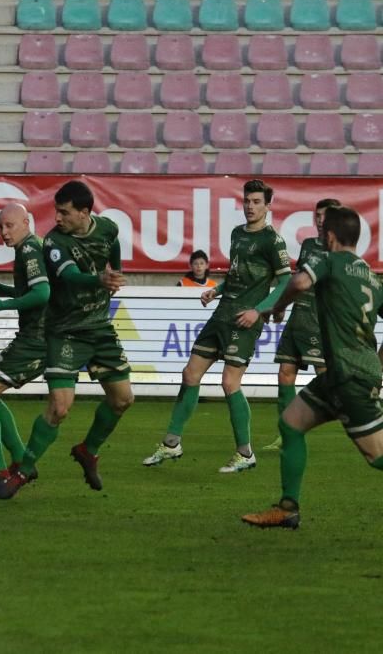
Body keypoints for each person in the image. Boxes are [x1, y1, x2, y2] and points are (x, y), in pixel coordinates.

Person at [243, 205, 383, 529]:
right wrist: (377, 364)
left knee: (376, 456)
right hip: (343, 374)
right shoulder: (373, 279)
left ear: (330, 236)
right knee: (291, 423)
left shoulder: (327, 258)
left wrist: (275, 308)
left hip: (349, 376)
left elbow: (301, 282)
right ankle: (287, 509)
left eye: (323, 232)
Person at [142, 179, 292, 473]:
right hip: (222, 313)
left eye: (257, 202)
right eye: (247, 201)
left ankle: (245, 453)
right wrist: (217, 290)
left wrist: (259, 310)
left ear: (267, 206)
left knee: (229, 382)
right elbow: (238, 275)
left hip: (245, 319)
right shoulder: (237, 234)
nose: (250, 206)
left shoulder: (273, 241)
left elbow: (285, 281)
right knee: (190, 373)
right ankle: (171, 444)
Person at [0, 180, 132, 499]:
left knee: (123, 399)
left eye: (64, 212)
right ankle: (24, 470)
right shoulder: (55, 242)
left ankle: (88, 450)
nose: (56, 218)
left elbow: (113, 244)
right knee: (59, 408)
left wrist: (117, 271)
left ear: (85, 213)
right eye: (56, 211)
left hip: (99, 327)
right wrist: (99, 278)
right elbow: (70, 275)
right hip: (65, 330)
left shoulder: (107, 227)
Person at [0, 203, 50, 479]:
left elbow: (42, 294)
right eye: (0, 226)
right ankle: (19, 460)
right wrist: (2, 288)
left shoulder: (28, 249)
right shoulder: (32, 246)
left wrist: (2, 304)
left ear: (26, 222)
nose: (3, 232)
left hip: (36, 338)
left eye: (9, 225)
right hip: (41, 336)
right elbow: (35, 289)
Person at [263, 198, 340, 451]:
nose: (319, 219)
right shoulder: (308, 244)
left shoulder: (339, 250)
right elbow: (297, 280)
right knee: (285, 373)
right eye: (317, 215)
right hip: (298, 316)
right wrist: (282, 306)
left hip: (319, 319)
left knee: (326, 379)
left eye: (325, 215)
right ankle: (286, 433)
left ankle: (356, 418)